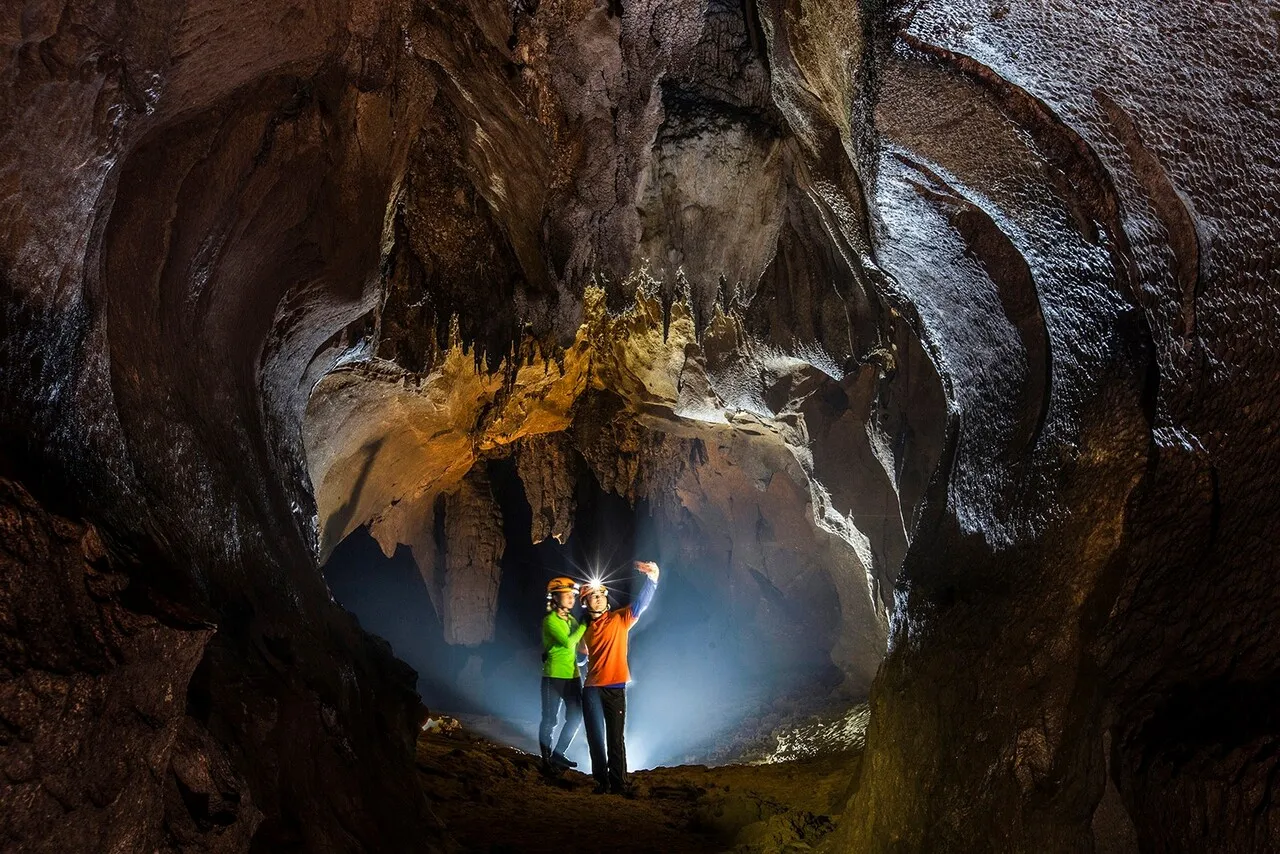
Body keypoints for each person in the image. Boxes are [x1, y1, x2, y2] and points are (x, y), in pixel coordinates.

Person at [579, 560, 660, 795]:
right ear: (585, 602)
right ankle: (601, 782)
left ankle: (618, 783)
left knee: (615, 739)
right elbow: (582, 658)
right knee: (595, 738)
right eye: (593, 596)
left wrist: (653, 579)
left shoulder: (619, 619)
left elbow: (641, 605)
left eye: (601, 594)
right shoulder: (584, 630)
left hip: (615, 687)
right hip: (592, 688)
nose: (599, 598)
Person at [539, 576, 586, 776]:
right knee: (550, 720)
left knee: (576, 716)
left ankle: (559, 753)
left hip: (573, 676)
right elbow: (568, 643)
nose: (570, 599)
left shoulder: (572, 620)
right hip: (554, 677)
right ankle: (546, 760)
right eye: (566, 595)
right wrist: (584, 624)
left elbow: (580, 644)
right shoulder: (550, 621)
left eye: (572, 595)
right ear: (555, 597)